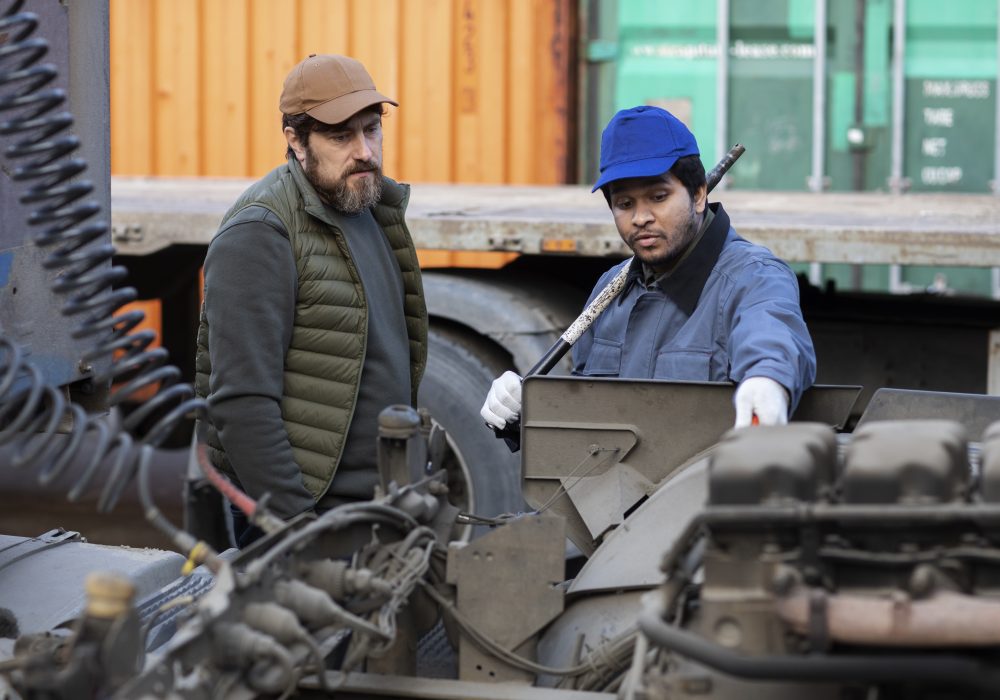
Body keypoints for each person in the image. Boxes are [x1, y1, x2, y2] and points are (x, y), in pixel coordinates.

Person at [194, 54, 427, 547]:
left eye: (371, 130)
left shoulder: (372, 208)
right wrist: (300, 531)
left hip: (379, 507)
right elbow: (241, 405)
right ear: (296, 141)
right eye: (341, 136)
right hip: (312, 523)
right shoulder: (260, 233)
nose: (364, 151)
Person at [481, 105, 815, 431]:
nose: (640, 218)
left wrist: (766, 379)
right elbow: (587, 427)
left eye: (658, 197)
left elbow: (772, 334)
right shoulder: (610, 289)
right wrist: (526, 411)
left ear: (698, 195)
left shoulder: (753, 277)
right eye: (625, 204)